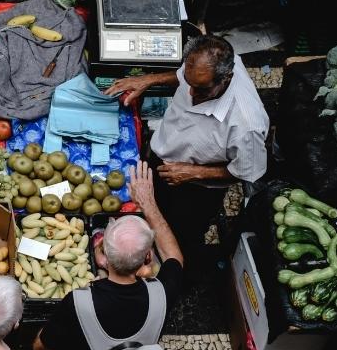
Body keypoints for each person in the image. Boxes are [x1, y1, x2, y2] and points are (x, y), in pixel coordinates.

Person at [34, 161, 183, 350]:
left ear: (102, 256)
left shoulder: (78, 301)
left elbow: (42, 347)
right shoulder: (163, 291)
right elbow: (176, 256)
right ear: (148, 258)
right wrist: (149, 205)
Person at [104, 36, 270, 271]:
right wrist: (149, 79)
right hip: (164, 158)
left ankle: (178, 280)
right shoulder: (200, 71)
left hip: (195, 191)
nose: (191, 93)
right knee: (149, 214)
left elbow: (247, 171)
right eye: (189, 83)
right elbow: (182, 78)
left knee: (181, 238)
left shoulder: (247, 124)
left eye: (201, 89)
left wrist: (195, 173)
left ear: (227, 79)